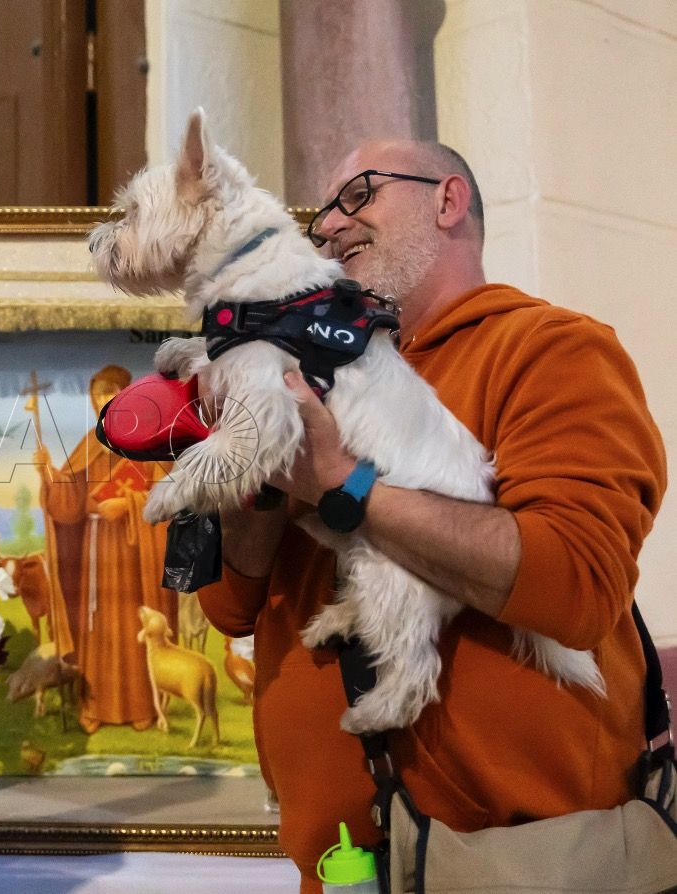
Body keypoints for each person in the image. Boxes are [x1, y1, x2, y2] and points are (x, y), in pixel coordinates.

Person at [197, 142, 666, 891]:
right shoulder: (313, 372)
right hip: (339, 866)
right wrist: (260, 470)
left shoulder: (550, 349)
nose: (328, 228)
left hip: (516, 863)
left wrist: (339, 484)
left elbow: (575, 584)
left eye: (358, 195)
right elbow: (227, 605)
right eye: (320, 215)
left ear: (447, 201)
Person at [36, 364, 177, 734]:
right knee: (95, 626)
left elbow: (166, 498)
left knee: (134, 623)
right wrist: (50, 476)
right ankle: (94, 705)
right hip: (95, 549)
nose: (106, 400)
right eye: (100, 394)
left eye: (113, 392)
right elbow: (68, 503)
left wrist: (128, 505)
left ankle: (141, 704)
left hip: (134, 551)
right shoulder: (89, 444)